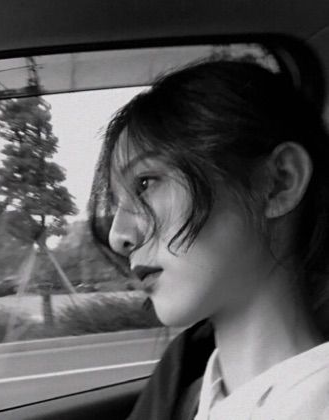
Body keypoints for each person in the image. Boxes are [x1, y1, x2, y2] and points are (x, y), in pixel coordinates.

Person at [89, 59, 329, 419]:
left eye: (145, 183)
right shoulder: (192, 390)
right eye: (116, 203)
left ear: (279, 182)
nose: (118, 236)